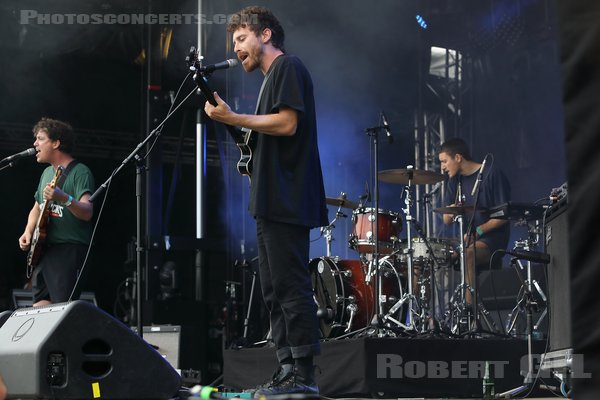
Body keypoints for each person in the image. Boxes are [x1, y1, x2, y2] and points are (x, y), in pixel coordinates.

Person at [204, 6, 327, 397]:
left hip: (288, 199)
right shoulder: (268, 80)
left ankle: (303, 374)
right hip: (271, 199)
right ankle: (287, 368)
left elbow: (288, 123)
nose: (237, 48)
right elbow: (264, 142)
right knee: (273, 288)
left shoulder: (288, 67)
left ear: (266, 35)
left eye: (241, 38)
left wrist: (234, 118)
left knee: (290, 285)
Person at [18, 118, 94, 307]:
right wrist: (28, 231)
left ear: (56, 143)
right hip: (46, 250)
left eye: (40, 139)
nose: (35, 144)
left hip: (69, 250)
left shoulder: (80, 172)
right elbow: (37, 207)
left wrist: (64, 198)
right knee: (38, 307)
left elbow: (87, 212)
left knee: (61, 308)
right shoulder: (46, 174)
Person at [438, 138, 510, 309]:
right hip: (466, 239)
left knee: (467, 255)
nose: (442, 167)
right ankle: (423, 319)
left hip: (492, 239)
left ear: (457, 157)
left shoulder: (491, 173)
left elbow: (503, 216)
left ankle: (469, 314)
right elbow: (447, 220)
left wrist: (478, 231)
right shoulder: (455, 181)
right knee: (423, 255)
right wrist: (454, 206)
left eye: (444, 161)